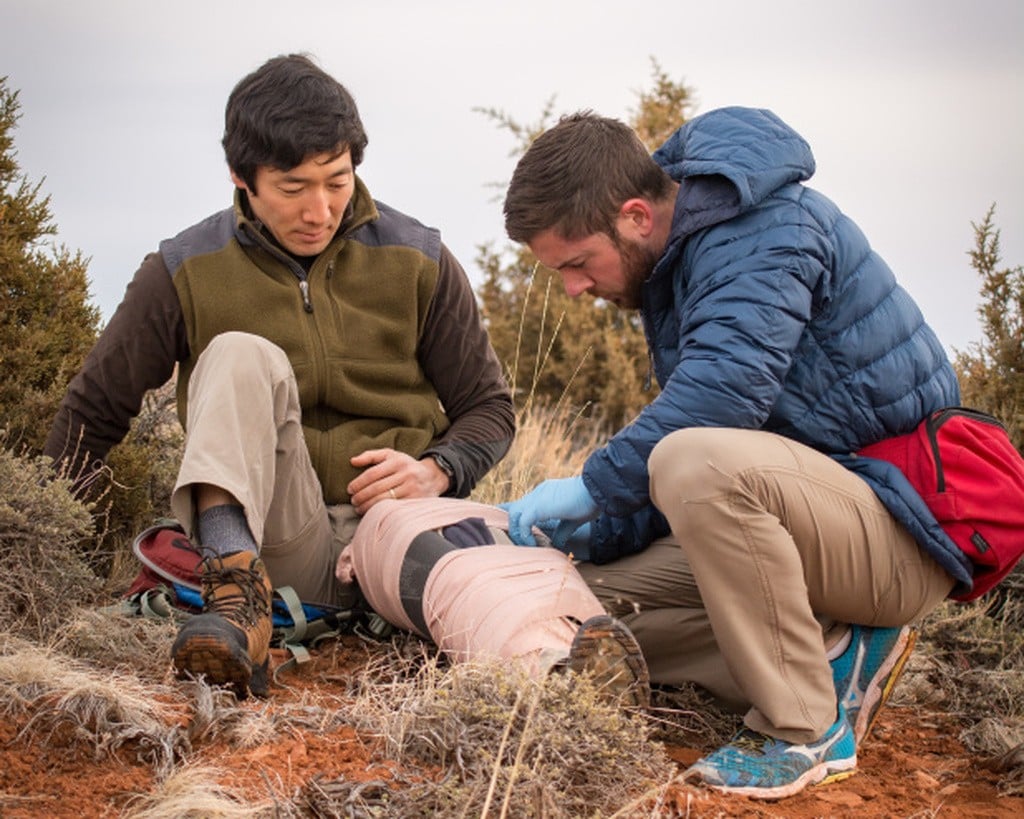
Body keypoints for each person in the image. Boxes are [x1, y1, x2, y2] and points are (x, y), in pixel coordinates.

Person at [499, 107, 967, 799]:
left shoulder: (765, 229)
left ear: (634, 215)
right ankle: (836, 649)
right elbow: (732, 462)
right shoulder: (687, 261)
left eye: (576, 263)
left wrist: (593, 485)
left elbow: (718, 411)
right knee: (581, 605)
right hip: (816, 525)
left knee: (691, 460)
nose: (574, 289)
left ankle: (804, 727)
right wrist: (603, 529)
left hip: (903, 533)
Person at [43, 53, 517, 699]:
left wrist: (437, 469)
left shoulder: (420, 258)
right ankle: (236, 602)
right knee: (239, 352)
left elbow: (490, 408)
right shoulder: (184, 268)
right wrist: (43, 552)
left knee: (494, 604)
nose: (318, 209)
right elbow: (92, 412)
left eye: (338, 180)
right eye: (293, 188)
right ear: (242, 177)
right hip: (278, 545)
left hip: (394, 531)